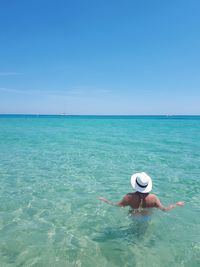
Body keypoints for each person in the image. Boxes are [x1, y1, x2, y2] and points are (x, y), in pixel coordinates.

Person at [98, 172, 184, 212]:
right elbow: (164, 209)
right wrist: (176, 204)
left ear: (135, 184)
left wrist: (106, 201)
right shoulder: (153, 198)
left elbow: (117, 205)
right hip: (147, 218)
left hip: (134, 217)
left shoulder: (129, 197)